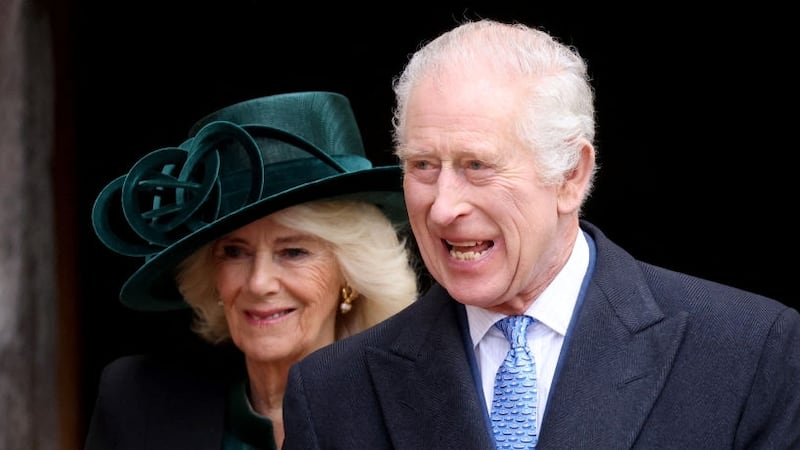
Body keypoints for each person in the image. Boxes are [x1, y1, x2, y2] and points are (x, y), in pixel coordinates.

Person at [281, 19, 800, 449]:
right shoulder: (331, 393)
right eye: (422, 165)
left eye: (477, 164)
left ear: (570, 175)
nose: (442, 207)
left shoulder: (748, 351)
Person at [83, 91, 419, 450]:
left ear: (351, 274)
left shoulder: (413, 419)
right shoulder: (138, 406)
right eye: (234, 251)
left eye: (293, 251)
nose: (259, 282)